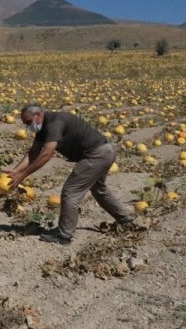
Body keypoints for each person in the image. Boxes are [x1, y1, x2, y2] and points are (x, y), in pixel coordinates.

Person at [7, 104, 135, 245]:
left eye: (29, 122)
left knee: (71, 191)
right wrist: (16, 171)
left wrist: (23, 175)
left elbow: (46, 154)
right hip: (104, 152)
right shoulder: (42, 129)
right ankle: (126, 219)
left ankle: (64, 235)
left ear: (39, 115)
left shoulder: (54, 122)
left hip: (97, 154)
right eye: (25, 123)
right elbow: (33, 152)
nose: (27, 127)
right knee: (99, 190)